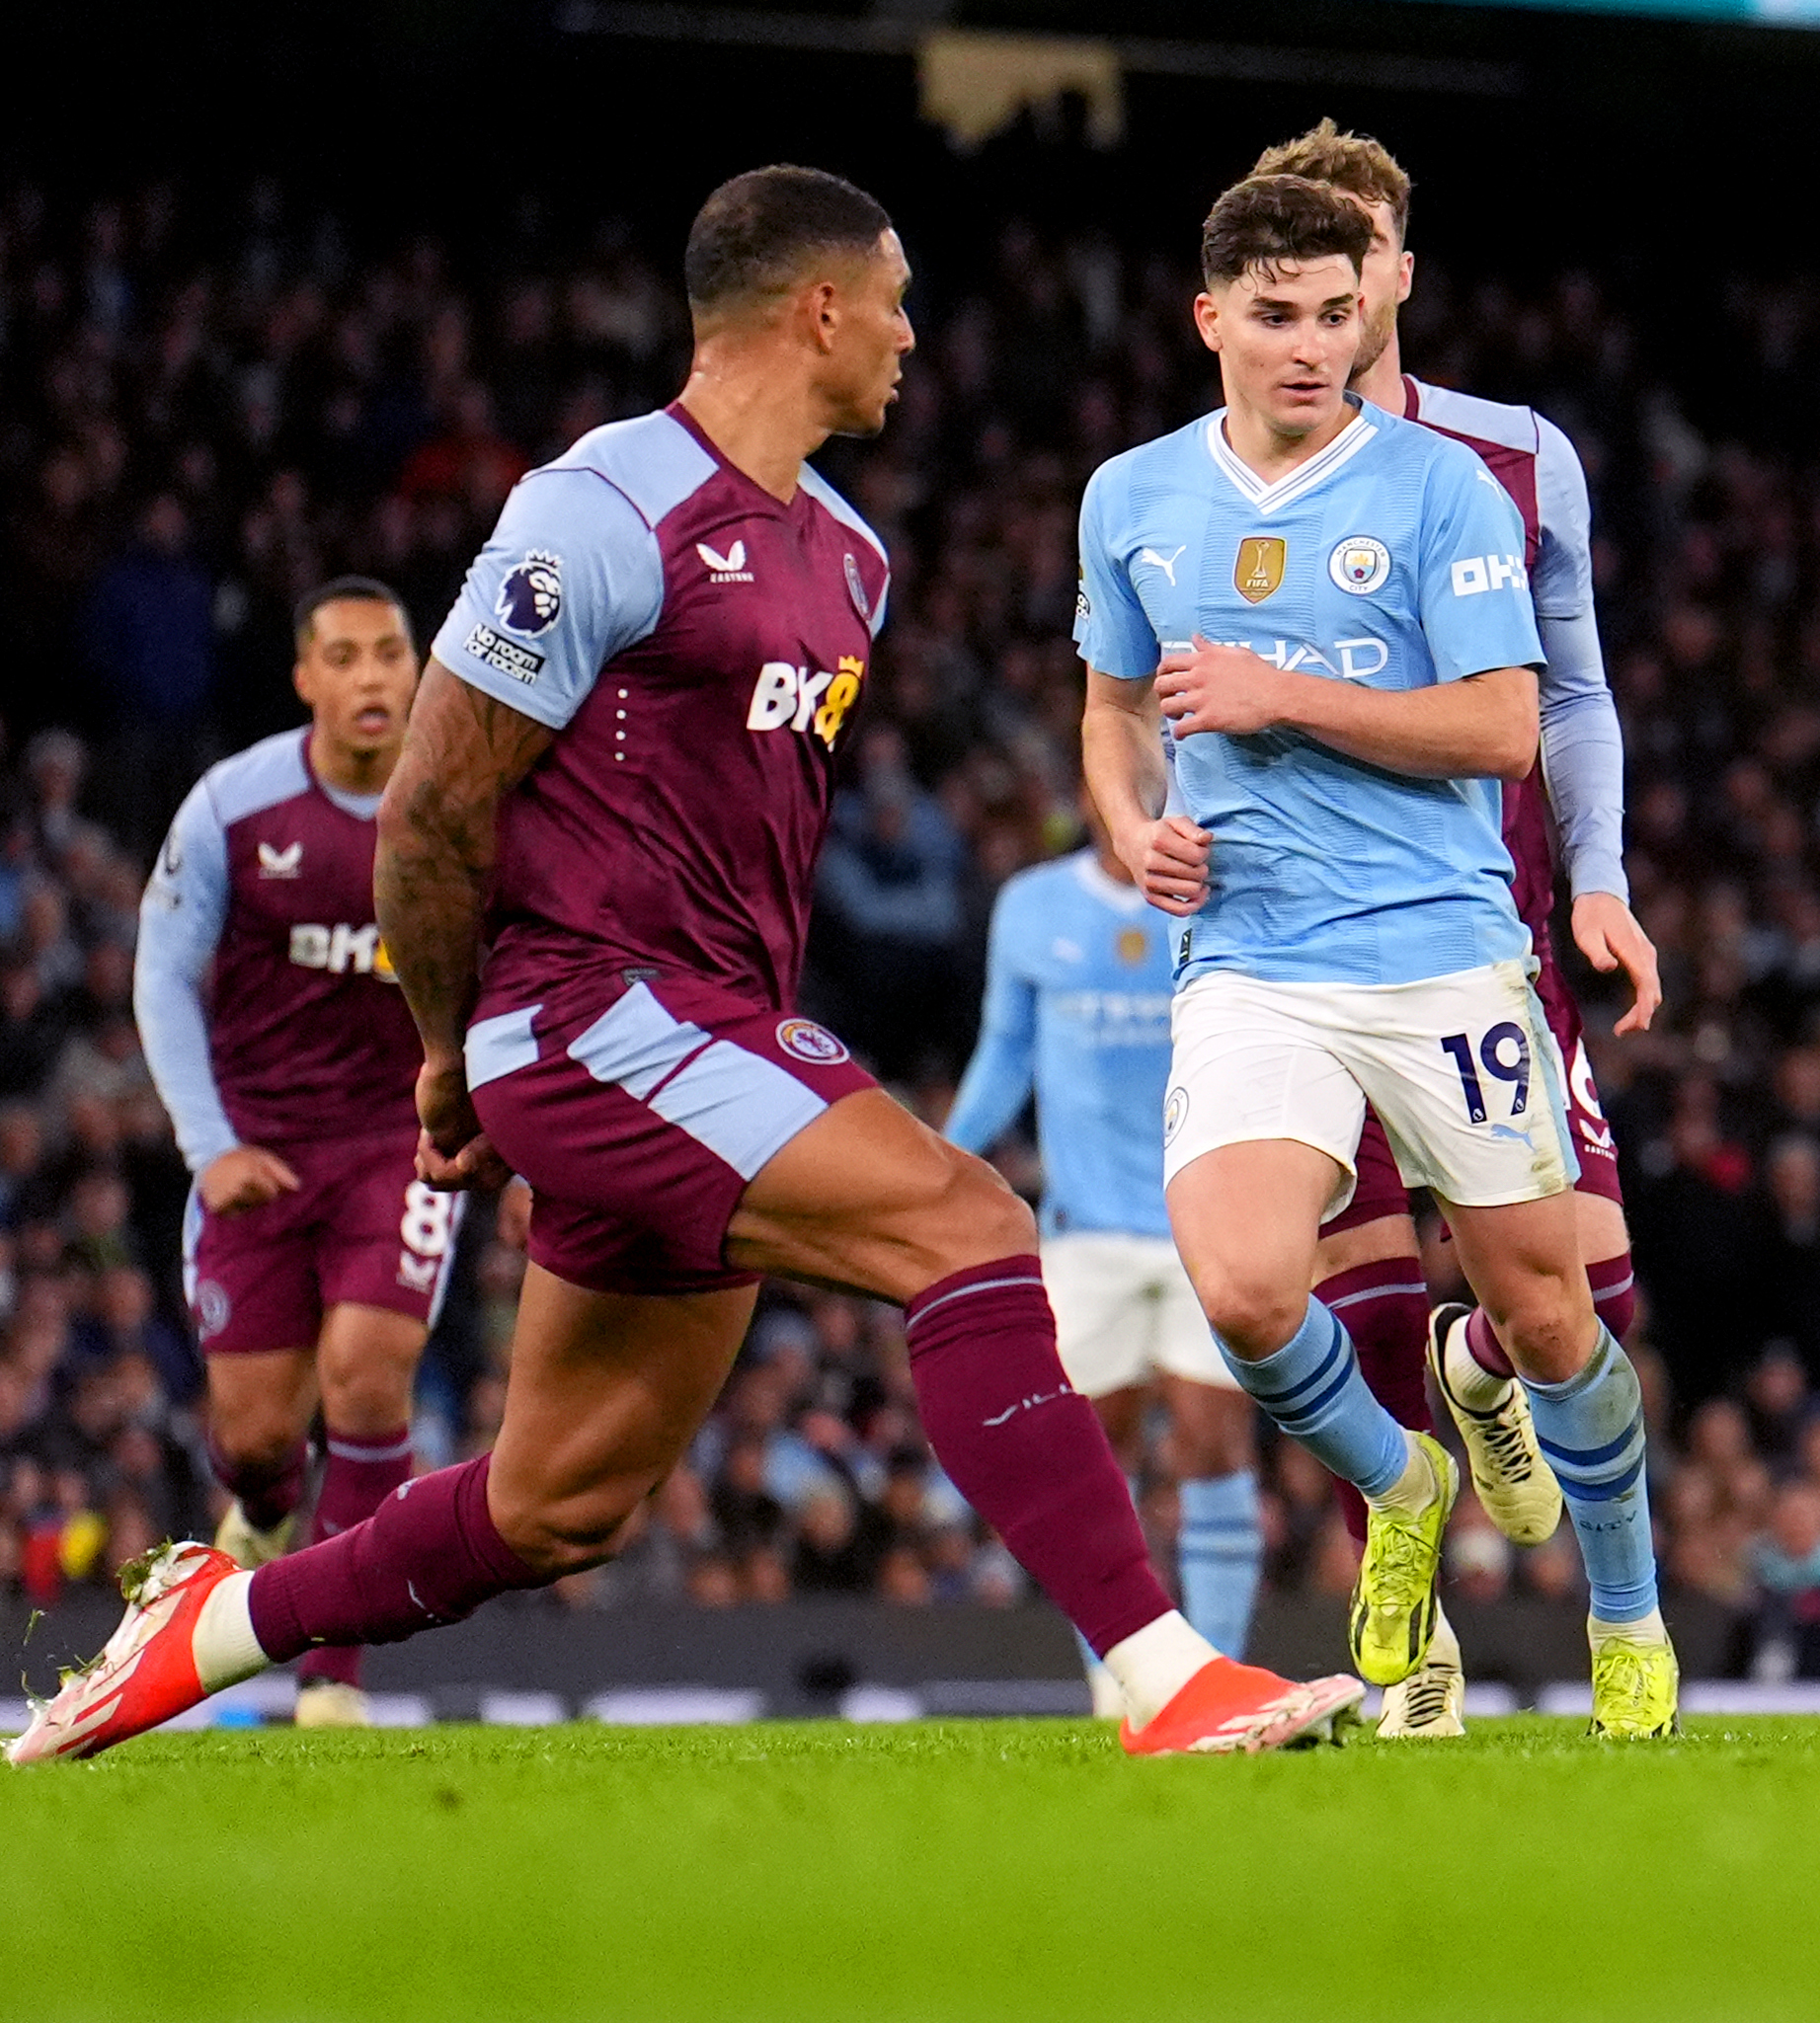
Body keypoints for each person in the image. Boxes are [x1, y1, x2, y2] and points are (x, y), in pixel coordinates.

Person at [14, 166, 1356, 1765]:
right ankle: (1163, 1675)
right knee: (967, 1222)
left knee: (553, 1501)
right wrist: (452, 1054)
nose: (915, 338)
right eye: (897, 299)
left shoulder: (850, 558)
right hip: (588, 1016)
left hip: (699, 1036)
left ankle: (203, 1629)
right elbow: (439, 805)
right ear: (818, 308)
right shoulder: (599, 507)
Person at [1073, 171, 1677, 1738]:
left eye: (1338, 312)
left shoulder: (1467, 479)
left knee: (1560, 1317)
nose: (1313, 345)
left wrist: (1285, 696)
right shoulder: (1131, 495)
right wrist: (1133, 828)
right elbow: (1113, 712)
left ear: (1387, 291)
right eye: (1278, 315)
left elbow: (1509, 720)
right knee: (1253, 1288)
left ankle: (1628, 1612)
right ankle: (1402, 1500)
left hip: (1446, 953)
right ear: (1211, 319)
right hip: (1252, 960)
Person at [1240, 120, 1660, 1738]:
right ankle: (1406, 1657)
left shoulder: (1516, 457)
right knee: (1342, 1298)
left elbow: (1575, 691)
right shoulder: (1215, 475)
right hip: (1300, 945)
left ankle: (1482, 1360)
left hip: (1490, 937)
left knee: (1583, 1310)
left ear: (1397, 272)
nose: (1330, 298)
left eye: (1359, 256)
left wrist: (1599, 876)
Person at [129, 576, 459, 1730]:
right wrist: (208, 1145)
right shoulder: (234, 804)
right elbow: (162, 974)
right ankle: (263, 1508)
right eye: (346, 656)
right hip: (257, 1150)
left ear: (418, 668)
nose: (373, 676)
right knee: (256, 1433)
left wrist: (508, 1147)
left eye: (390, 653)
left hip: (397, 1143)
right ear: (306, 679)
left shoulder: (462, 800)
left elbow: (516, 977)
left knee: (367, 1374)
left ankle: (334, 1676)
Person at [944, 840, 1268, 1694]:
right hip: (1082, 1234)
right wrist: (942, 1165)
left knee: (1213, 1441)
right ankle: (1117, 1687)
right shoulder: (1032, 904)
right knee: (1097, 1457)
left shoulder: (1220, 890)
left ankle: (1223, 1674)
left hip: (1203, 1219)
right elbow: (1004, 1054)